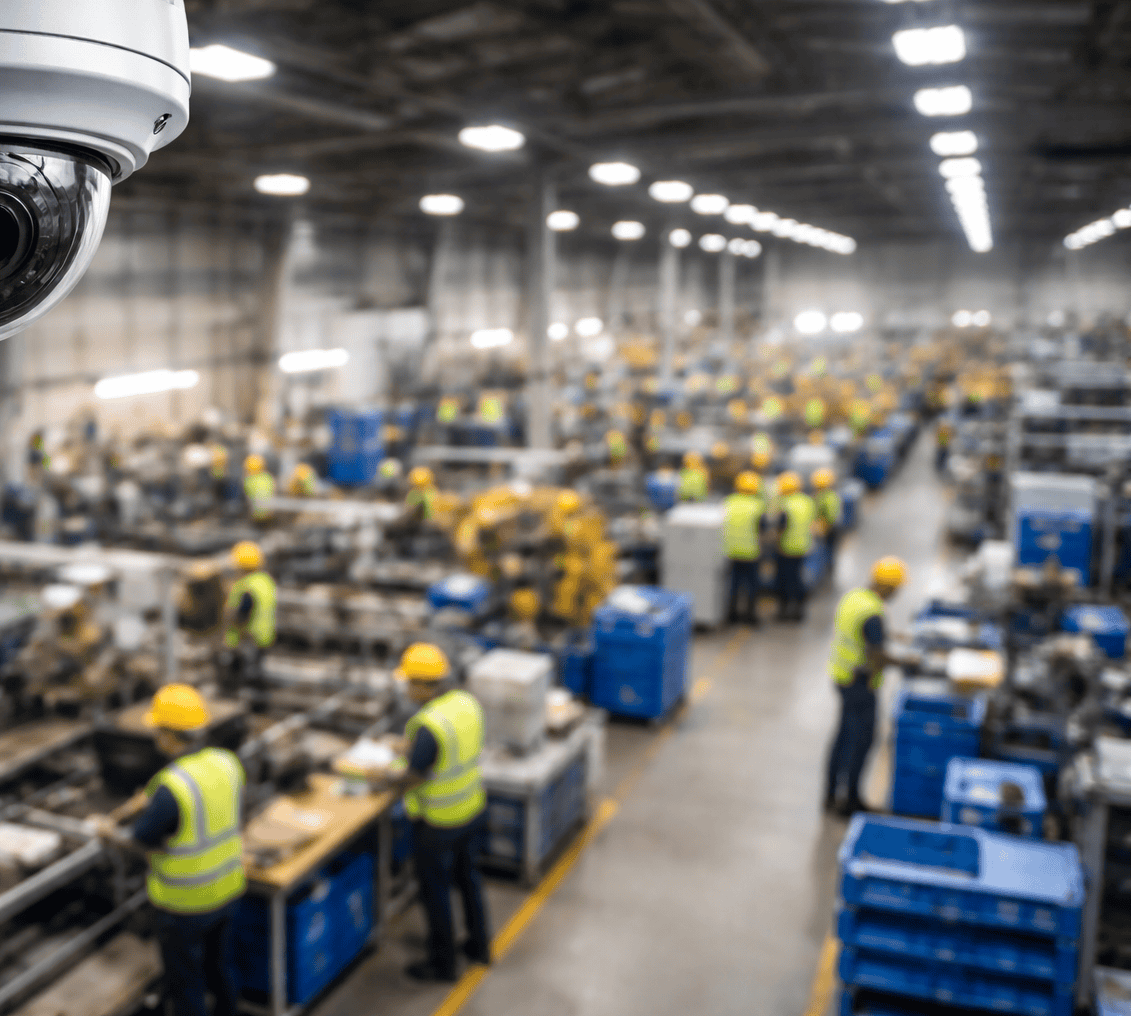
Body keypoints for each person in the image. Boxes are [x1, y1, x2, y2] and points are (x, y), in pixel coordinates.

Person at [95, 685, 245, 1016]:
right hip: (228, 889)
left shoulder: (173, 787)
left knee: (187, 983)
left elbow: (139, 841)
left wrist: (108, 832)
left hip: (185, 907)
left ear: (167, 735)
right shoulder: (227, 763)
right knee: (222, 971)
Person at [383, 644, 490, 982]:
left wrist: (382, 780)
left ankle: (442, 964)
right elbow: (450, 751)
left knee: (436, 890)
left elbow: (415, 776)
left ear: (423, 685)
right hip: (472, 808)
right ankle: (479, 945)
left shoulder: (428, 724)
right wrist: (409, 750)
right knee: (469, 878)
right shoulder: (466, 703)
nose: (406, 691)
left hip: (440, 822)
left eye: (409, 684)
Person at [824, 557, 907, 816]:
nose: (896, 594)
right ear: (888, 587)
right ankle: (850, 802)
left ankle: (830, 796)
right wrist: (908, 661)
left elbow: (855, 632)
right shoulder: (873, 614)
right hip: (861, 685)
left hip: (843, 678)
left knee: (842, 739)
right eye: (896, 589)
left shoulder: (854, 598)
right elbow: (877, 655)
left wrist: (891, 635)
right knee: (861, 741)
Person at [724, 472, 766, 625]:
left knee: (733, 584)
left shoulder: (728, 502)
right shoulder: (758, 506)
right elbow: (762, 528)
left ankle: (732, 615)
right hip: (750, 552)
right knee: (751, 585)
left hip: (730, 551)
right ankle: (750, 616)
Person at [775, 471, 816, 621]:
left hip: (786, 548)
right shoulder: (807, 501)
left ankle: (784, 612)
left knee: (784, 580)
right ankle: (799, 611)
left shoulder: (785, 504)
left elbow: (781, 526)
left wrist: (776, 540)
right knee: (798, 578)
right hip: (803, 547)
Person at [225, 541, 276, 659]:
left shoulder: (246, 586)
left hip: (246, 642)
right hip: (263, 640)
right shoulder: (265, 581)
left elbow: (242, 615)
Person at [812, 468, 843, 577]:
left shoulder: (827, 497)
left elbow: (830, 518)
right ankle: (828, 568)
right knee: (828, 549)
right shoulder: (829, 495)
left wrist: (822, 529)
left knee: (827, 549)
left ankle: (827, 570)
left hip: (830, 528)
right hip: (830, 526)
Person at [242, 455, 274, 522]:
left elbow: (248, 497)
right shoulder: (268, 477)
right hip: (270, 514)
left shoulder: (248, 480)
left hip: (255, 515)